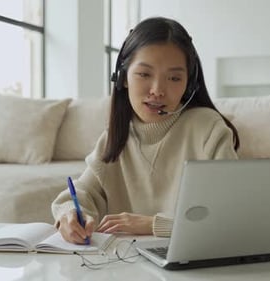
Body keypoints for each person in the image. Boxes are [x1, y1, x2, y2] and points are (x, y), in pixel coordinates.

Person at [52, 16, 240, 244]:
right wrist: (69, 214)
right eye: (144, 74)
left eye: (174, 78)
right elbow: (82, 193)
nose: (158, 90)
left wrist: (152, 225)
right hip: (123, 264)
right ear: (122, 78)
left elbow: (229, 215)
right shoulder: (115, 137)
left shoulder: (207, 129)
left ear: (189, 85)